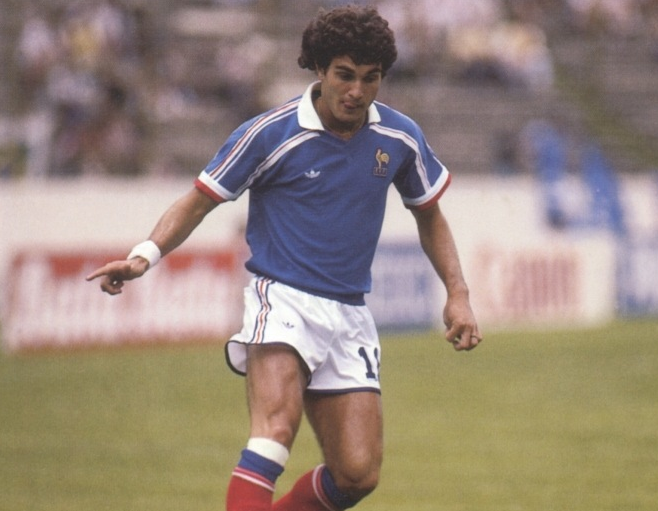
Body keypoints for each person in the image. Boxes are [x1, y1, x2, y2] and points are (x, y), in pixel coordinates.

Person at [86, 5, 482, 510]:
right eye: (344, 75)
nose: (357, 91)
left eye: (370, 78)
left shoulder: (399, 137)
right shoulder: (269, 133)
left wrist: (458, 293)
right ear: (319, 69)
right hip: (283, 300)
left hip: (349, 314)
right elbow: (198, 201)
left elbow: (429, 214)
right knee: (274, 430)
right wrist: (144, 256)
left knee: (357, 474)